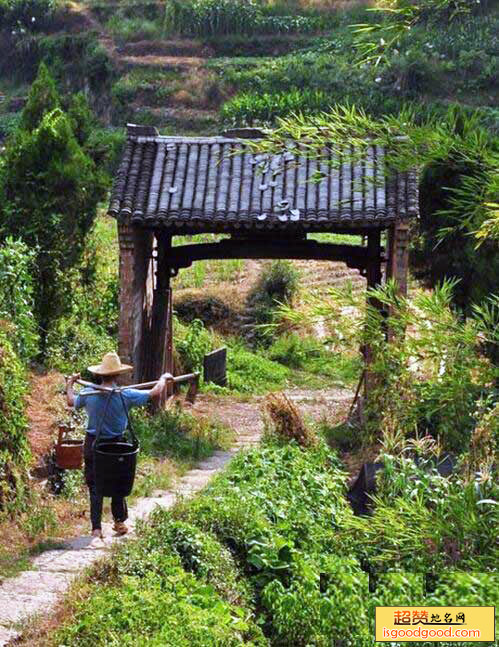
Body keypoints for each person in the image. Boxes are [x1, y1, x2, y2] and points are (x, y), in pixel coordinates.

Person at [66, 351, 172, 547]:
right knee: (118, 482)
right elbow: (155, 392)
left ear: (100, 374)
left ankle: (96, 529)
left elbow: (71, 401)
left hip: (94, 444)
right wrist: (164, 378)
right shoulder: (126, 394)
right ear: (117, 375)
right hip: (117, 445)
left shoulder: (89, 393)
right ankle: (119, 521)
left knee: (95, 486)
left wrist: (70, 384)